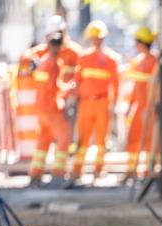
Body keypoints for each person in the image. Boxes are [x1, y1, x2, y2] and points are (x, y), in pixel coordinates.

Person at [70, 21, 119, 180]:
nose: (96, 41)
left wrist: (113, 105)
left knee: (101, 140)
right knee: (82, 139)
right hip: (85, 103)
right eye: (94, 38)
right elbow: (77, 80)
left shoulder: (111, 59)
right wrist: (72, 97)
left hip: (102, 103)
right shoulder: (84, 58)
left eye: (98, 38)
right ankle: (77, 170)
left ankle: (99, 170)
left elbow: (115, 85)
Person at [28, 29, 70, 185]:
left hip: (40, 107)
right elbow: (55, 87)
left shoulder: (43, 60)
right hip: (51, 107)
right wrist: (68, 89)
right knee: (64, 138)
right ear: (60, 46)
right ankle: (58, 172)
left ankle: (35, 172)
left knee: (43, 140)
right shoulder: (54, 63)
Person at [123, 26, 158, 180]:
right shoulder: (137, 61)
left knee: (150, 140)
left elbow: (155, 87)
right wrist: (130, 106)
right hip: (138, 107)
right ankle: (131, 170)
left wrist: (151, 106)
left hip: (148, 107)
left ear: (143, 43)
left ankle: (148, 171)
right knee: (133, 138)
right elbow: (135, 87)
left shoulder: (153, 61)